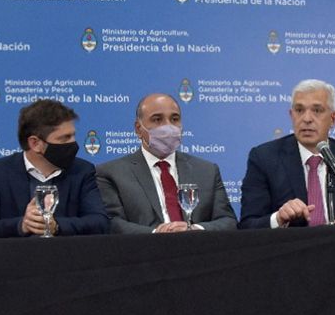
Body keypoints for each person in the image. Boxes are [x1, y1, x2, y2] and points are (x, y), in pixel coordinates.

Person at [239, 79, 335, 228]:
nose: (306, 119)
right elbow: (248, 225)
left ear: (333, 118)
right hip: (291, 243)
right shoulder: (264, 158)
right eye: (299, 110)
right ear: (291, 115)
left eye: (317, 110)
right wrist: (278, 219)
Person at [96, 93, 237, 233]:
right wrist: (157, 234)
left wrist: (193, 229)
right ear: (139, 129)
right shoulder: (112, 173)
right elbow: (112, 223)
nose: (168, 126)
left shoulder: (207, 170)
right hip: (145, 246)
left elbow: (228, 221)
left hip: (197, 246)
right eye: (157, 119)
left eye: (174, 119)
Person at [0, 99, 108, 237]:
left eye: (73, 135)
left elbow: (100, 223)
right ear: (35, 143)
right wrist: (22, 225)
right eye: (65, 138)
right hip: (14, 250)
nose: (73, 142)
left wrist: (57, 226)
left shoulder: (82, 170)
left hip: (67, 250)